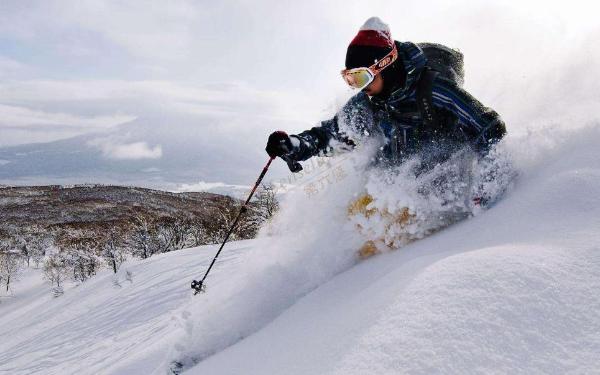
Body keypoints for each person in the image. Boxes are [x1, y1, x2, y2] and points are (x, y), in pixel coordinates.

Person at [266, 17, 506, 180]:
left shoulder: (434, 89)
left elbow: (490, 128)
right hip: (395, 179)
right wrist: (296, 145)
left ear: (385, 65)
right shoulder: (368, 102)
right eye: (350, 79)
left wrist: (487, 186)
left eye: (361, 77)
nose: (358, 87)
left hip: (445, 174)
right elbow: (331, 135)